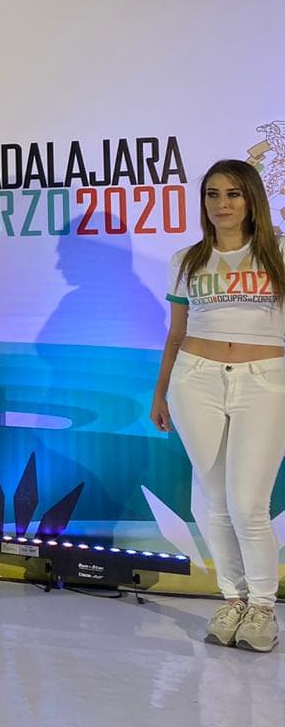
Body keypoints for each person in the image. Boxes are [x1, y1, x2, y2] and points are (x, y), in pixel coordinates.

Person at [151, 158, 285, 652]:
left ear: (251, 199)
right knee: (215, 502)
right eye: (212, 194)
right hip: (195, 381)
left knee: (249, 504)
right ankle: (232, 598)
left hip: (266, 383)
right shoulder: (187, 259)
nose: (221, 204)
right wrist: (161, 390)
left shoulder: (278, 255)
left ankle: (264, 607)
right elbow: (175, 334)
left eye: (232, 194)